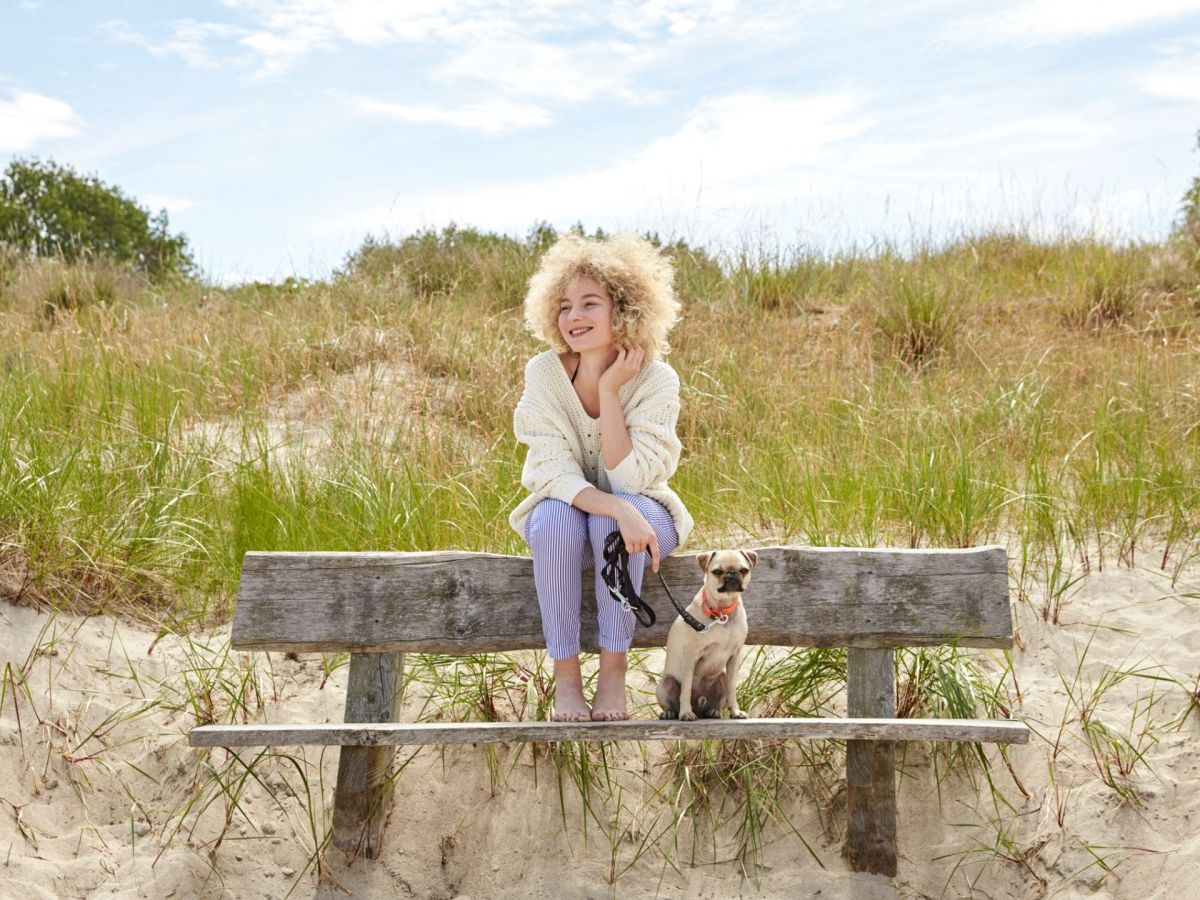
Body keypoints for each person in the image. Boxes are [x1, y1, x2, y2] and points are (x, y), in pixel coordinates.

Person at [509, 232, 695, 722]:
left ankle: (613, 674)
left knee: (610, 527)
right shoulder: (544, 374)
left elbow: (631, 483)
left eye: (590, 303)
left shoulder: (657, 380)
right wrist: (614, 507)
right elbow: (550, 472)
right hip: (574, 510)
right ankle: (566, 679)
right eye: (565, 306)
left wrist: (611, 391)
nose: (574, 317)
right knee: (553, 521)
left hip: (647, 511)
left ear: (625, 309)